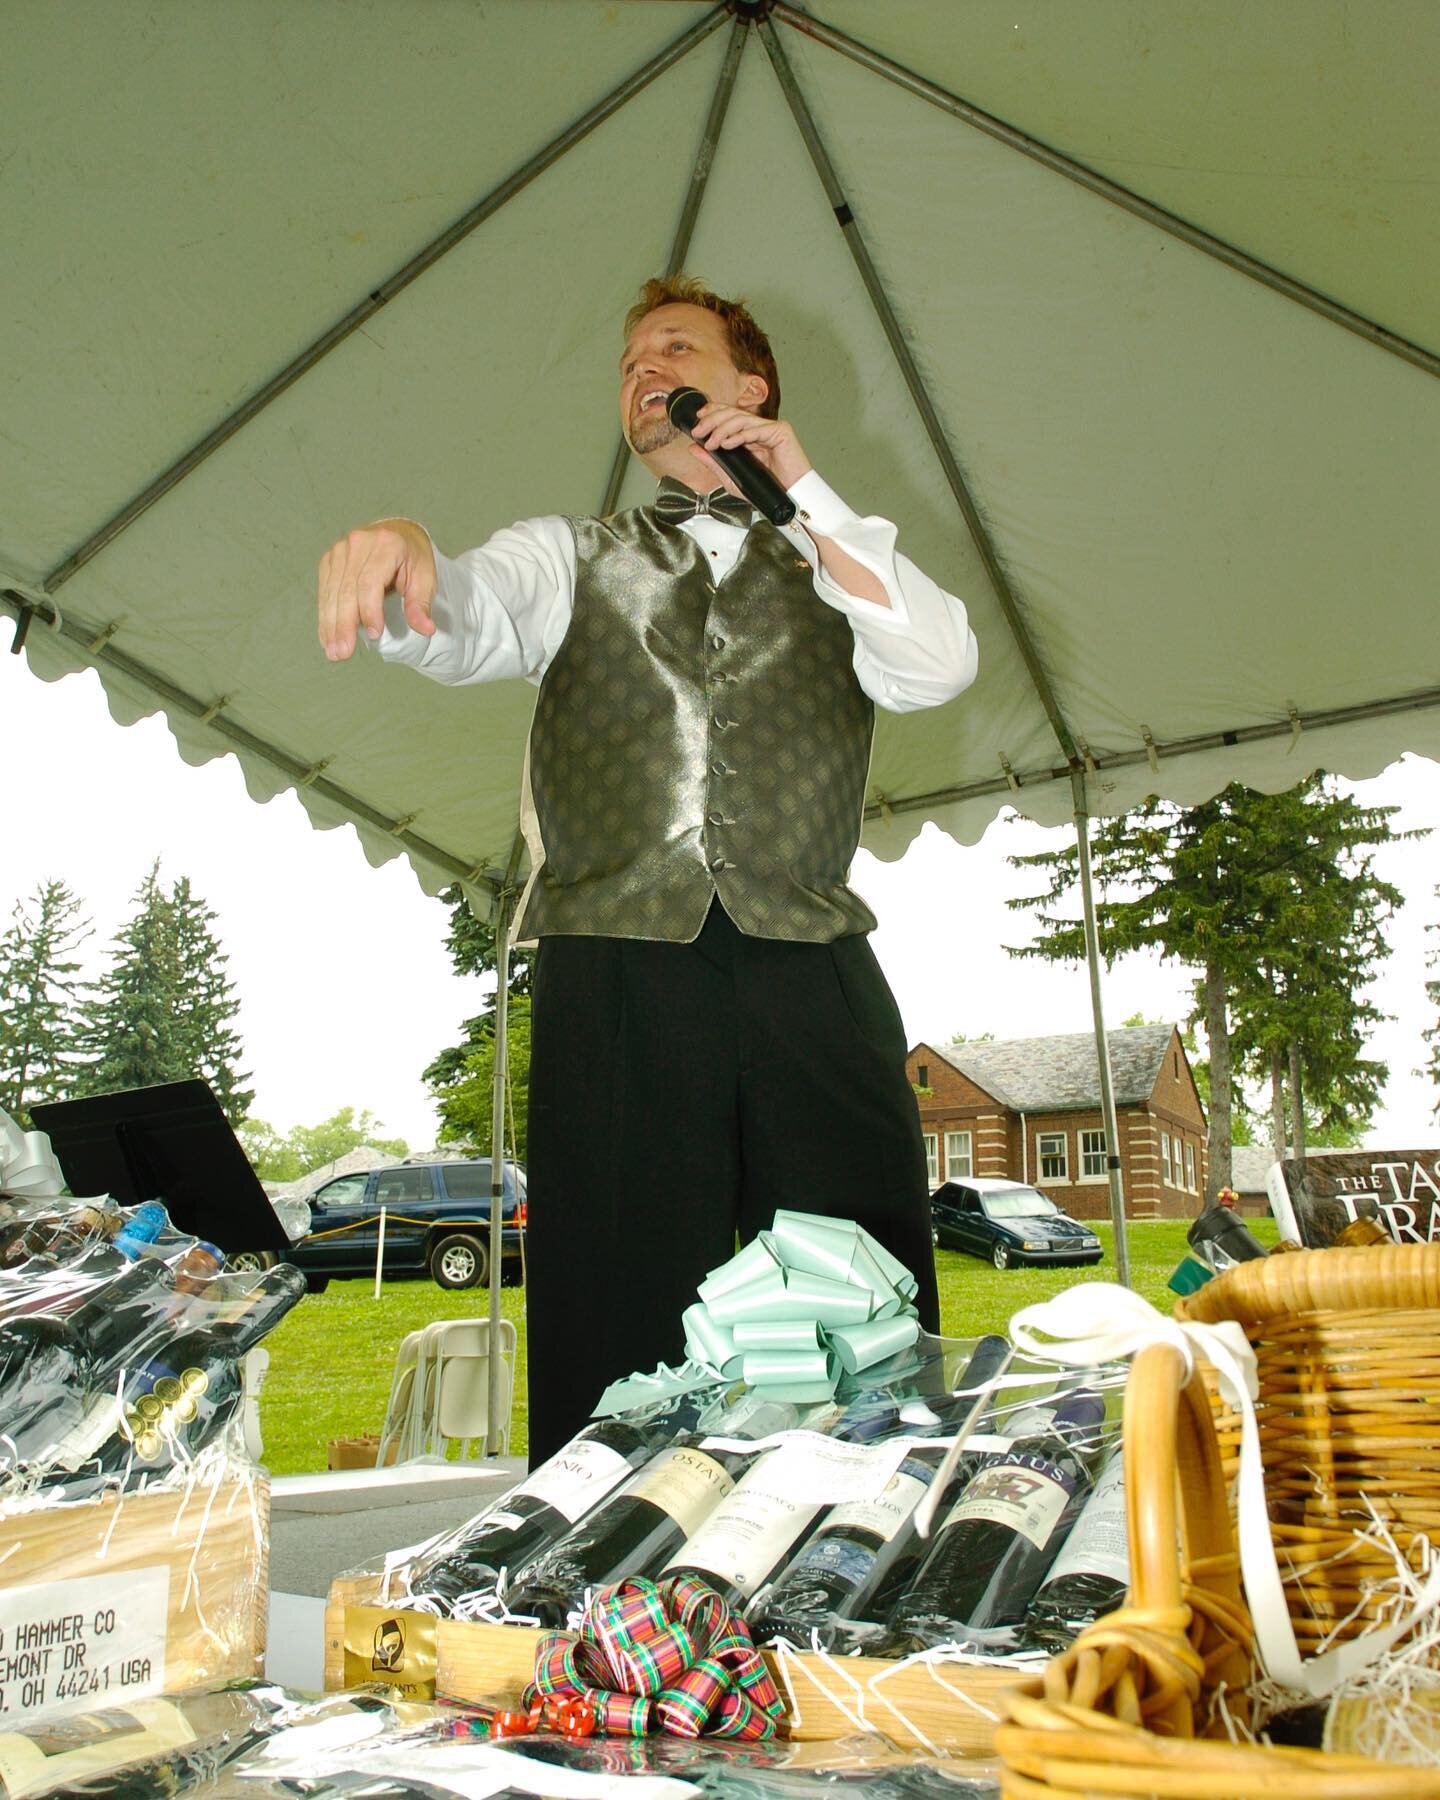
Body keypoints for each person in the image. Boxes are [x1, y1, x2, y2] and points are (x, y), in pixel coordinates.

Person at [317, 276, 979, 1463]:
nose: (638, 372)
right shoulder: (574, 553)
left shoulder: (840, 561)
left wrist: (806, 489)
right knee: (616, 1298)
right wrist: (414, 550)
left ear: (751, 386)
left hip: (811, 966)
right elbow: (466, 610)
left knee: (858, 1296)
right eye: (624, 362)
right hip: (618, 968)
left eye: (670, 348)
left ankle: (864, 1551)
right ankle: (597, 1577)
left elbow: (935, 664)